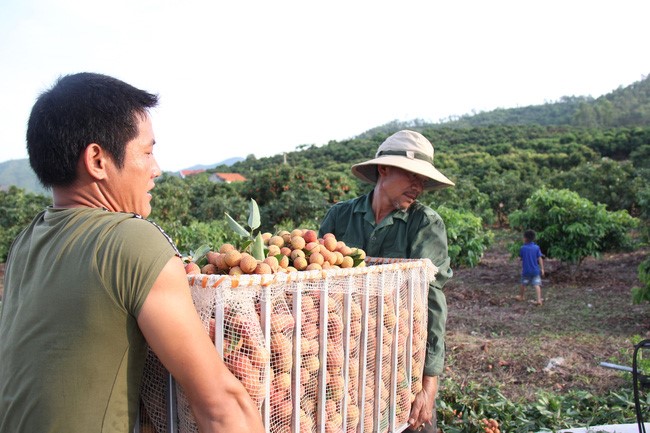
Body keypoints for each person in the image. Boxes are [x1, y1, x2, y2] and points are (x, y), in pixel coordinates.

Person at [0, 73, 265, 433]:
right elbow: (221, 406)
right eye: (147, 151)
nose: (156, 169)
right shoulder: (131, 241)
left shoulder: (25, 241)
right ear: (97, 160)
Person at [318, 129, 454, 432]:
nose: (418, 186)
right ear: (383, 169)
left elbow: (432, 299)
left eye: (423, 180)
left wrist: (429, 382)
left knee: (412, 424)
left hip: (400, 357)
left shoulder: (425, 224)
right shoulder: (340, 217)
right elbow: (316, 284)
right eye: (412, 175)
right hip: (343, 356)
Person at [516, 229, 545, 306]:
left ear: (525, 238)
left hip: (526, 271)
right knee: (537, 284)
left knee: (523, 283)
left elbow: (521, 257)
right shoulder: (536, 247)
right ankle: (539, 300)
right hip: (535, 271)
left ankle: (521, 296)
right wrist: (542, 269)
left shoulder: (523, 248)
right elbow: (540, 258)